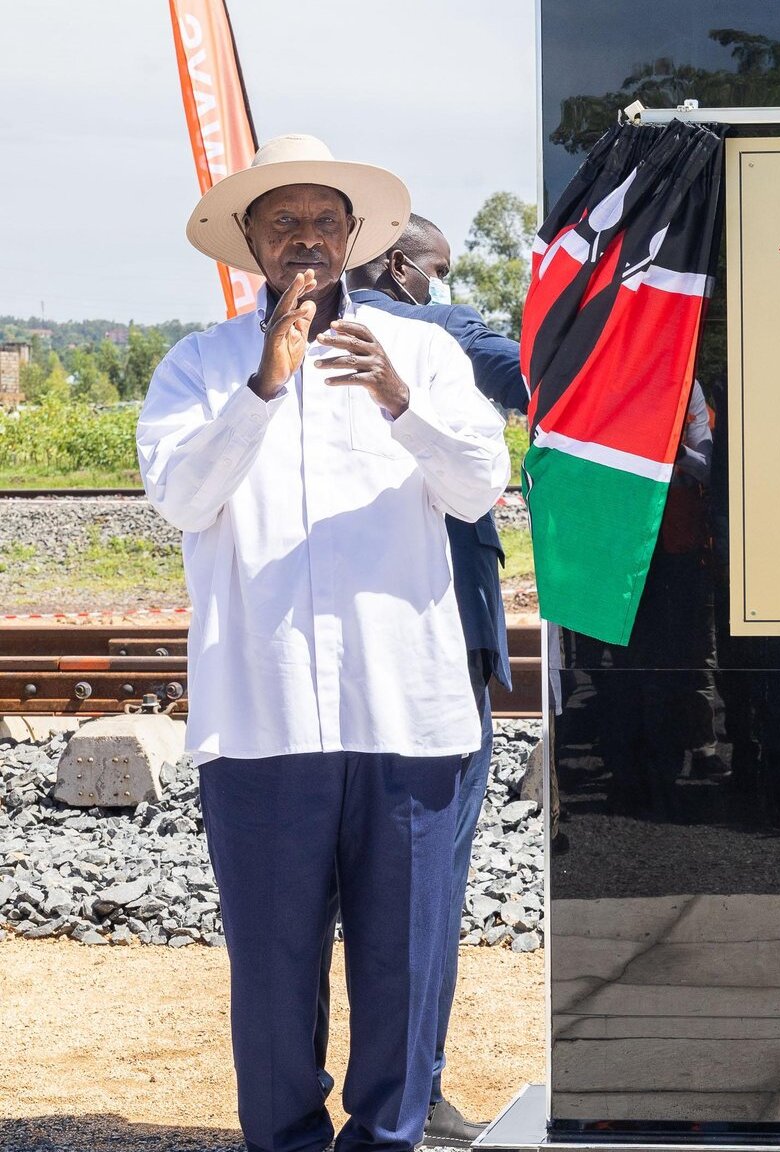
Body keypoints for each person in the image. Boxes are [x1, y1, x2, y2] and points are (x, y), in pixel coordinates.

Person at [137, 135, 510, 1152]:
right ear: (249, 245)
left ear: (352, 238)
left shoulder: (423, 355)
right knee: (272, 970)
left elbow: (478, 487)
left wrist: (399, 401)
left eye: (322, 222)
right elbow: (180, 496)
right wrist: (263, 386)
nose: (304, 239)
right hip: (262, 724)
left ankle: (388, 1140)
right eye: (282, 224)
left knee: (405, 964)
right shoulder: (200, 367)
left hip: (407, 716)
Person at [346, 215, 526, 1146]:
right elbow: (537, 376)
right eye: (439, 272)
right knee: (424, 886)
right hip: (442, 647)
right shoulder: (432, 333)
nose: (444, 289)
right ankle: (413, 1095)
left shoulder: (307, 332)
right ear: (396, 266)